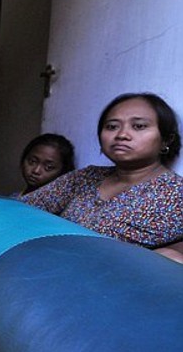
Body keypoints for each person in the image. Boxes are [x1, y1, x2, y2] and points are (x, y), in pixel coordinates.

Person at [21, 93, 183, 263]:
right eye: (112, 127)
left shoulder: (175, 194)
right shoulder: (86, 177)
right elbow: (25, 207)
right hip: (48, 266)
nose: (122, 135)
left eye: (139, 126)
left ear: (166, 140)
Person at [12, 133, 75, 197]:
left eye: (48, 167)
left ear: (63, 172)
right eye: (32, 161)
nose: (36, 171)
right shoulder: (14, 198)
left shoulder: (57, 205)